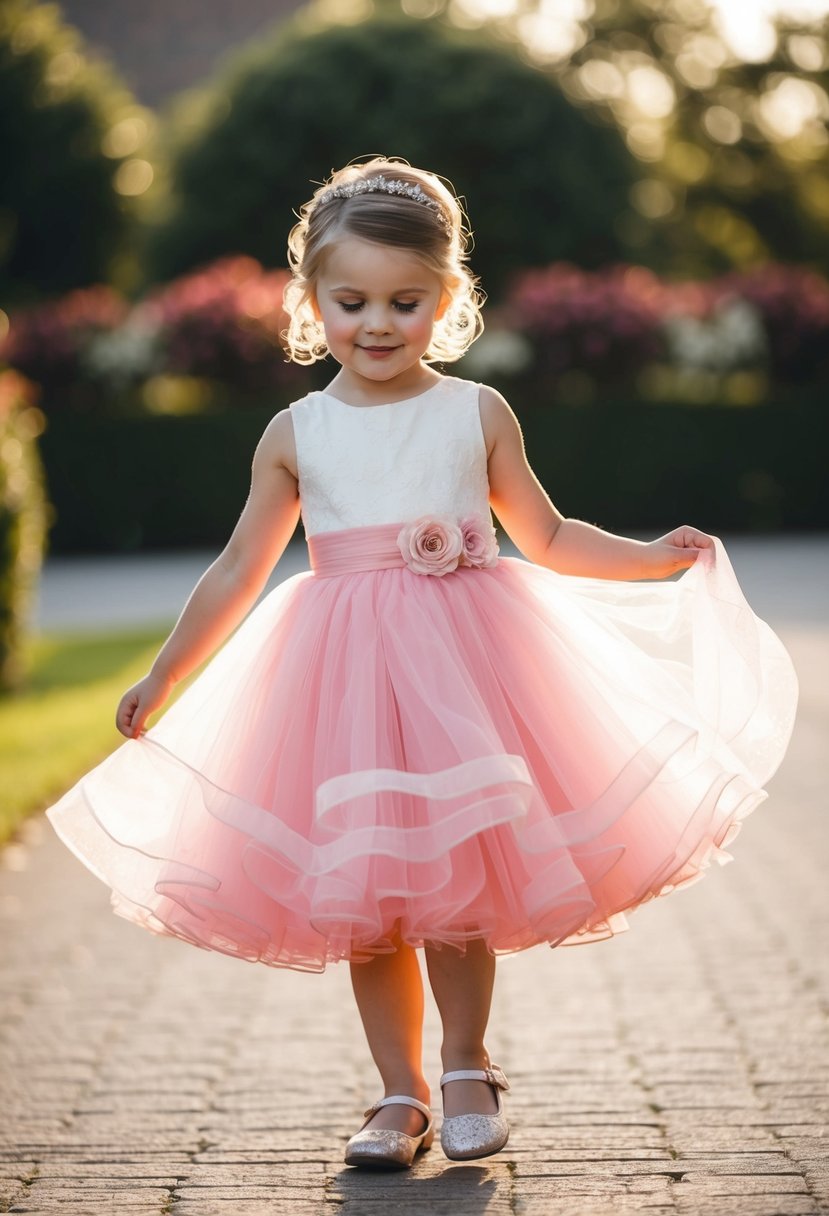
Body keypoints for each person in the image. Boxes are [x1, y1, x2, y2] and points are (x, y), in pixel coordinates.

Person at [46, 157, 798, 1171]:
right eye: (350, 301)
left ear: (446, 301)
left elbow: (549, 531)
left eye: (405, 301)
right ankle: (397, 1093)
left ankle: (465, 1063)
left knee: (453, 884)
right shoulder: (295, 432)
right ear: (311, 301)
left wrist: (652, 560)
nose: (376, 323)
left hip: (461, 676)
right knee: (368, 905)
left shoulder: (475, 413)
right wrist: (167, 675)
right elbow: (237, 569)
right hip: (340, 683)